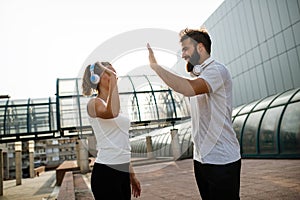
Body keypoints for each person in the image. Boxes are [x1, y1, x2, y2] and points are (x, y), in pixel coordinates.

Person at [147, 28, 241, 200]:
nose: (182, 55)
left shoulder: (217, 71)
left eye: (185, 49)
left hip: (222, 160)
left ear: (200, 47)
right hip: (202, 159)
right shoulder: (201, 73)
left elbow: (187, 89)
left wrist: (156, 67)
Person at [82, 61, 141, 200]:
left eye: (115, 73)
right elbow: (111, 112)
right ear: (96, 79)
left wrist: (132, 175)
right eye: (109, 73)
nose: (114, 76)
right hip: (106, 173)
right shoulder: (94, 103)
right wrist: (114, 81)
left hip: (123, 172)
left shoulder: (117, 108)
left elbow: (123, 144)